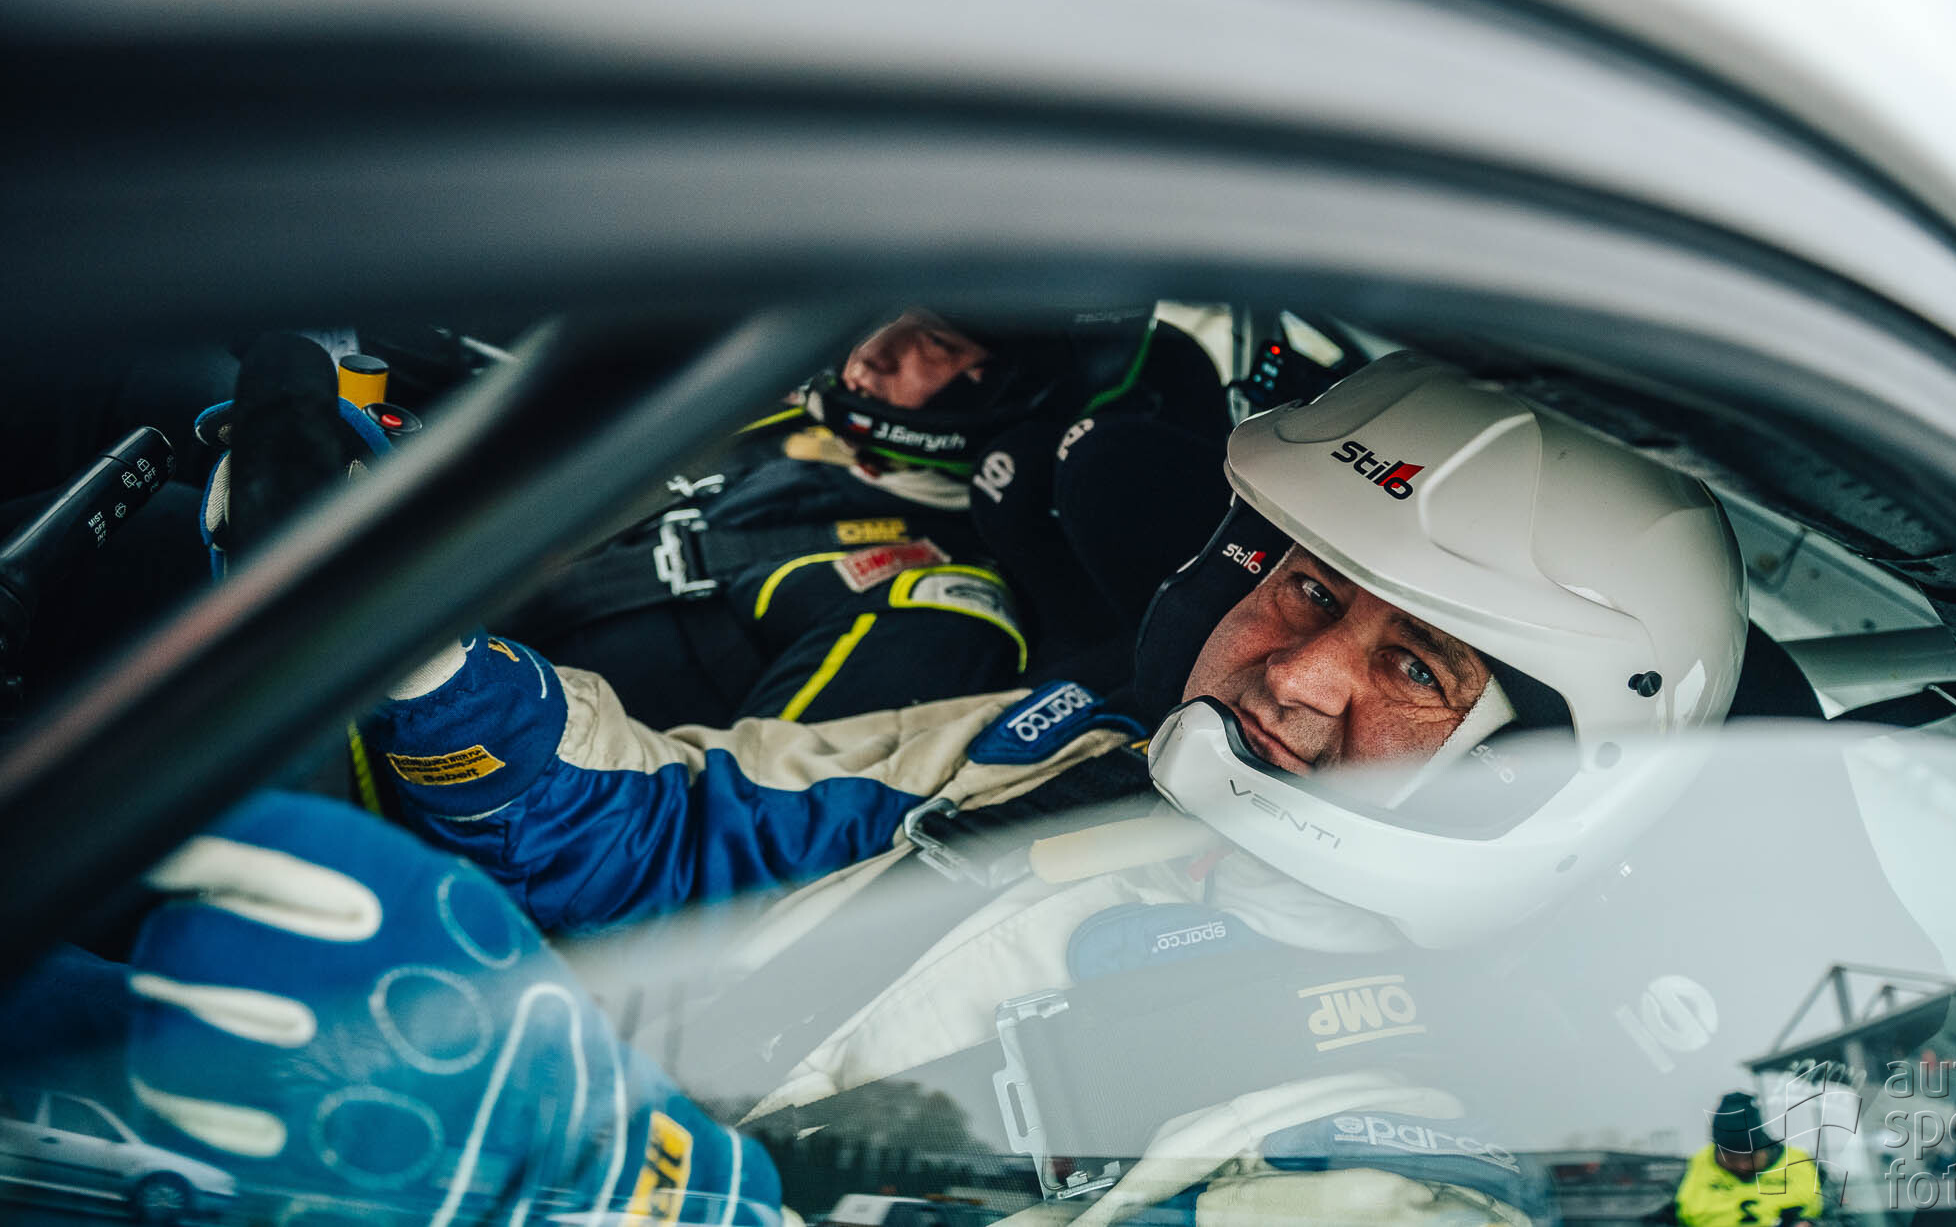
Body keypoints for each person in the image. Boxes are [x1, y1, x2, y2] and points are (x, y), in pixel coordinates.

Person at [13, 349, 1757, 1225]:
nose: (1297, 673)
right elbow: (677, 835)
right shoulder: (1072, 759)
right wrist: (418, 655)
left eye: (1417, 668)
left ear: (1546, 763)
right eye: (1304, 590)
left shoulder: (1411, 1148)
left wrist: (610, 1188)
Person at [487, 305, 1230, 729]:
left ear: (1004, 383)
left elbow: (730, 801)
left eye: (932, 341)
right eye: (888, 315)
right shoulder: (791, 440)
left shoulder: (940, 613)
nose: (872, 354)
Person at [1653, 1093, 1824, 1227]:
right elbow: (1654, 1220)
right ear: (1717, 1151)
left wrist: (1812, 1223)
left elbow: (1838, 1217)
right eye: (1732, 1159)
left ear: (1763, 1146)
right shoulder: (1690, 1171)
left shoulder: (1804, 1166)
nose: (1742, 1166)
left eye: (1750, 1157)